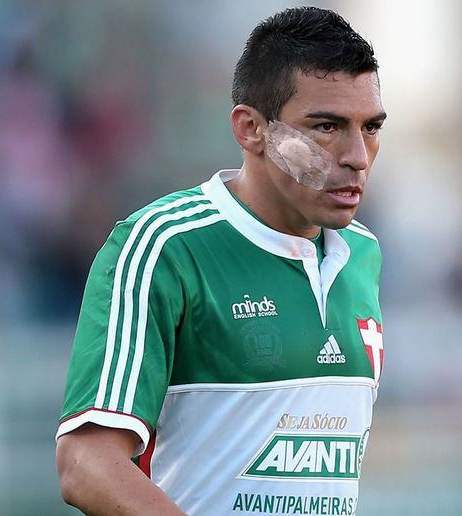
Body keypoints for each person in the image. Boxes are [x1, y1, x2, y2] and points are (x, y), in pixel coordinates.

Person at [55, 7, 386, 515]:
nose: (357, 155)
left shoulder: (362, 253)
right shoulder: (164, 246)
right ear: (250, 129)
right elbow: (86, 464)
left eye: (370, 128)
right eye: (326, 127)